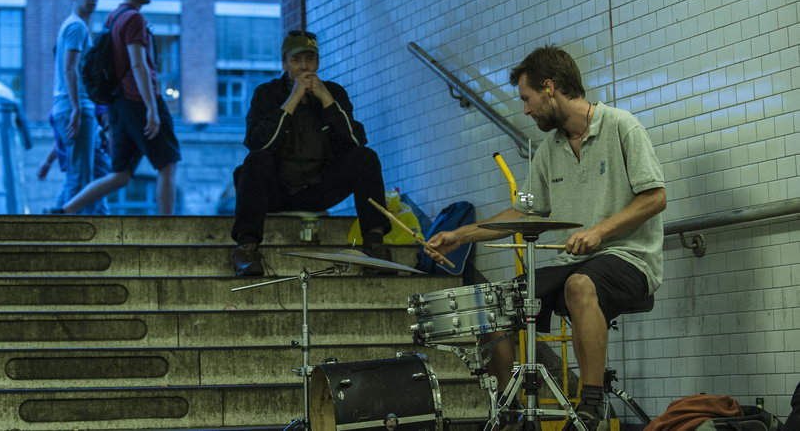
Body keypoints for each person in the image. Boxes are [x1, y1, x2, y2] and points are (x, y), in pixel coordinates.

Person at [425, 45, 666, 431]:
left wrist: (600, 231)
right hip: (577, 263)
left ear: (550, 88)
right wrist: (461, 234)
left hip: (630, 259)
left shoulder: (622, 126)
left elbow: (655, 198)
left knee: (580, 284)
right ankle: (510, 411)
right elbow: (523, 210)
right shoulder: (547, 150)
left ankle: (591, 406)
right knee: (497, 303)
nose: (525, 109)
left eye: (526, 98)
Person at [229, 30, 391, 276]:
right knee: (254, 160)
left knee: (366, 157)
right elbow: (259, 144)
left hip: (319, 188)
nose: (304, 67)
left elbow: (356, 141)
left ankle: (375, 247)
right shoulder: (266, 94)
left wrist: (326, 99)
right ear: (284, 63)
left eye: (310, 59)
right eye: (296, 60)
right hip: (277, 190)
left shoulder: (334, 93)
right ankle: (247, 249)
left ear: (318, 62)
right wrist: (292, 101)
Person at [51, 0, 180, 215]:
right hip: (139, 100)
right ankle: (168, 228)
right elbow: (138, 64)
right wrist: (152, 109)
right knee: (167, 164)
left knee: (120, 174)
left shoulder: (114, 17)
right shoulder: (134, 18)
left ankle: (65, 211)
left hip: (119, 104)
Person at [48, 0, 103, 214]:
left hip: (73, 106)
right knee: (80, 178)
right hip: (75, 106)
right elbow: (69, 68)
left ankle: (55, 223)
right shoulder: (76, 26)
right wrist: (77, 109)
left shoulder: (76, 26)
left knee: (84, 174)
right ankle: (66, 239)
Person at [38, 105, 112, 214]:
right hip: (75, 165)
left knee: (77, 207)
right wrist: (48, 162)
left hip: (93, 162)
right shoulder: (62, 96)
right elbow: (65, 138)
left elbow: (108, 125)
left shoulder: (83, 96)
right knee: (92, 207)